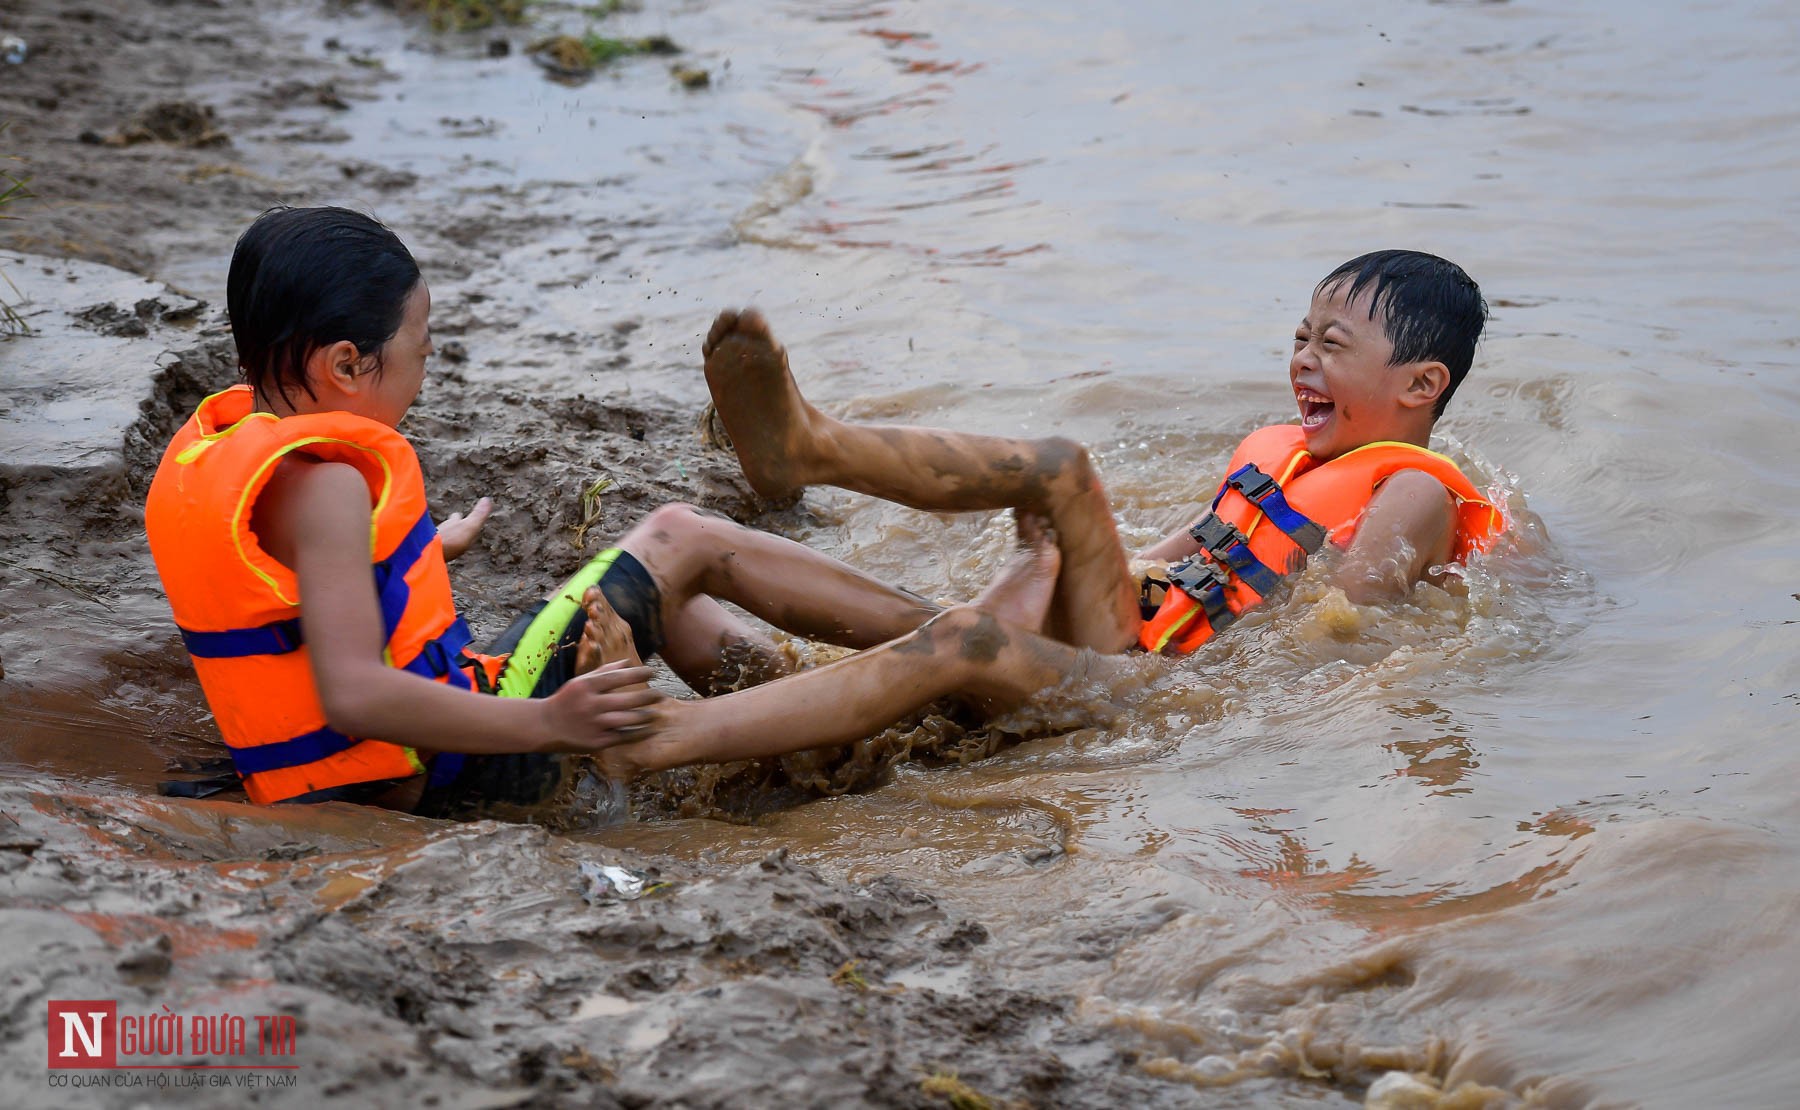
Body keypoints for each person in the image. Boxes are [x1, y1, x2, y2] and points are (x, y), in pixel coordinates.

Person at [145, 206, 1007, 813]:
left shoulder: (227, 447)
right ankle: (978, 657)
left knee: (679, 608)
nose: (426, 365)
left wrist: (415, 554)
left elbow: (288, 601)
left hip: (376, 773)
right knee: (682, 535)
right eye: (421, 348)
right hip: (451, 779)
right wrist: (548, 720)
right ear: (345, 363)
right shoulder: (326, 485)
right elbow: (354, 695)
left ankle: (833, 739)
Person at [591, 249, 1504, 776]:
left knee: (1002, 569)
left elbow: (1349, 626)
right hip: (1120, 647)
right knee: (707, 546)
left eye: (1332, 344)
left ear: (1422, 384)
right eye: (1300, 336)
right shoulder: (1278, 454)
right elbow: (1179, 552)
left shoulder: (1416, 486)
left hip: (1153, 687)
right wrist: (1048, 574)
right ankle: (781, 490)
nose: (1303, 358)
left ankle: (673, 728)